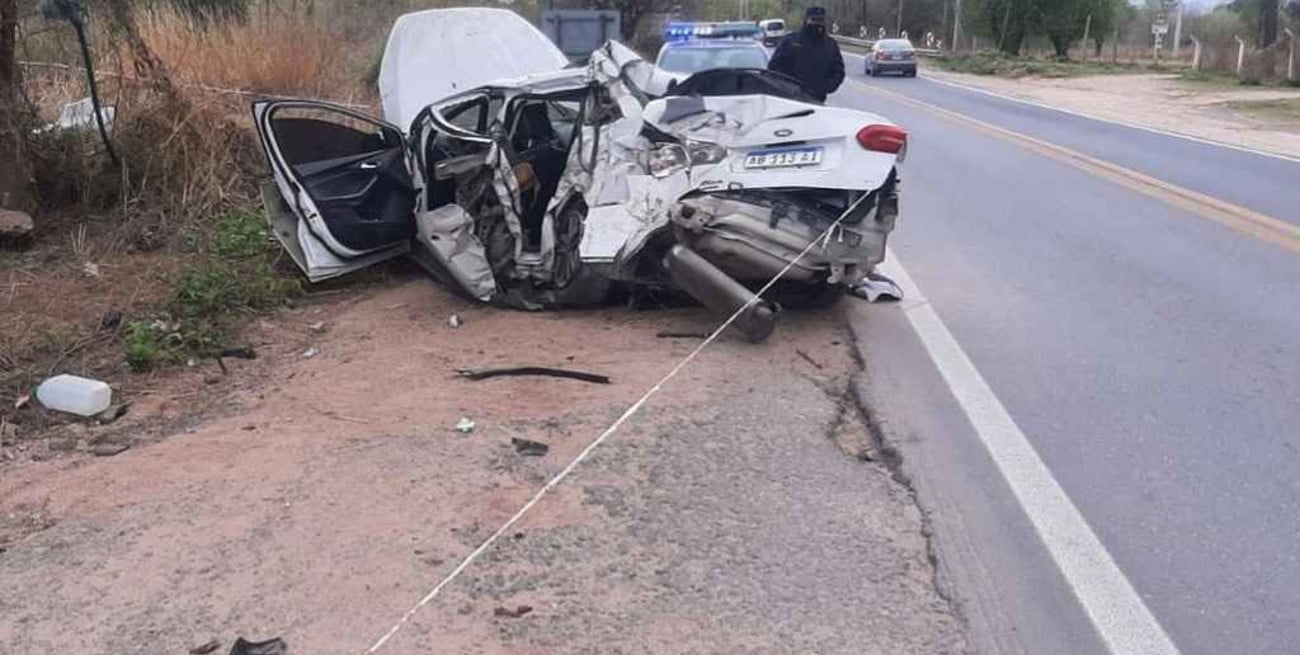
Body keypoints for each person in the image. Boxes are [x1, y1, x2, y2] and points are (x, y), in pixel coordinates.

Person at [767, 6, 845, 103]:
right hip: (790, 100)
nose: (817, 23)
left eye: (820, 20)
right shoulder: (790, 41)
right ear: (807, 20)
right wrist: (786, 87)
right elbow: (774, 68)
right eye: (813, 20)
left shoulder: (830, 45)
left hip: (818, 100)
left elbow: (838, 71)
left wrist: (827, 86)